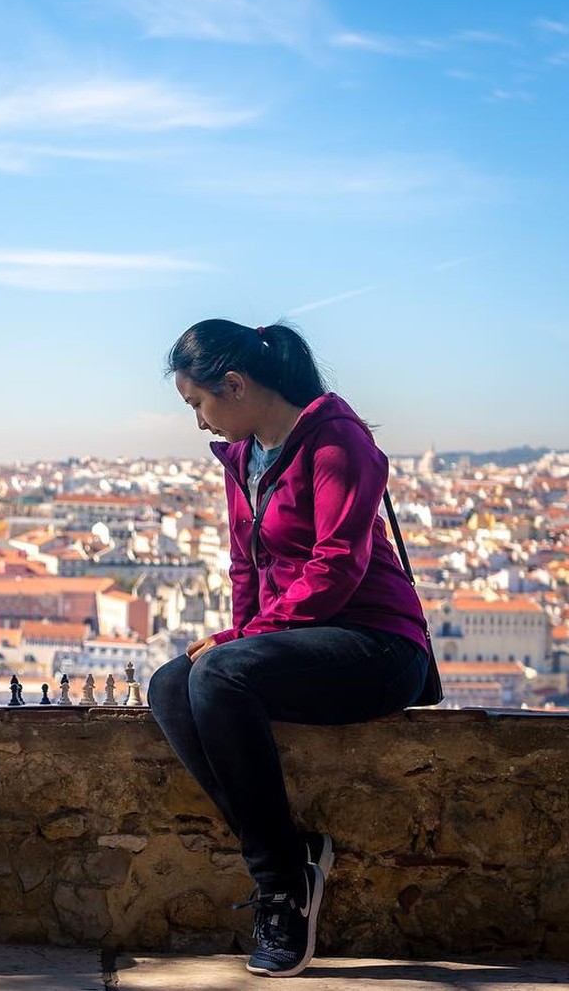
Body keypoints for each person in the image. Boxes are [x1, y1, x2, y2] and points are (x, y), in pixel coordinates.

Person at [147, 319, 432, 978]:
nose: (198, 422)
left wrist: (242, 641)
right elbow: (245, 570)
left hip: (378, 645)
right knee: (169, 684)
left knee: (217, 671)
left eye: (199, 403)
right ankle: (290, 852)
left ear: (237, 384)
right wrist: (240, 636)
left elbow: (338, 566)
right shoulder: (243, 457)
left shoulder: (338, 442)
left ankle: (281, 886)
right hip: (298, 638)